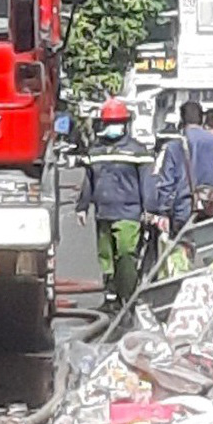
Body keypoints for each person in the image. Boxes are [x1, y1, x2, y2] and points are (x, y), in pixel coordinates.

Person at [75, 97, 155, 311]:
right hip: (103, 213)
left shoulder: (138, 151)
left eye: (117, 122)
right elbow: (89, 181)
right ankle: (110, 295)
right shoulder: (96, 151)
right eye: (110, 122)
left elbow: (147, 182)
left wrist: (150, 209)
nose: (113, 127)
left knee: (126, 253)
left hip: (129, 212)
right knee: (106, 256)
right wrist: (82, 207)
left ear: (126, 123)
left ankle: (127, 296)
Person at [155, 100, 213, 229]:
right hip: (209, 208)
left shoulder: (173, 147)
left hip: (182, 211)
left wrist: (163, 212)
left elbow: (166, 183)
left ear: (181, 121)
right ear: (202, 119)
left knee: (181, 246)